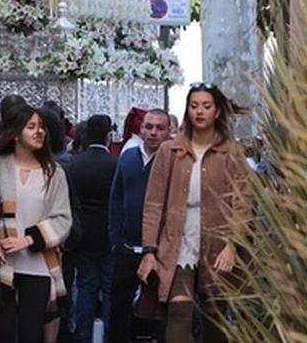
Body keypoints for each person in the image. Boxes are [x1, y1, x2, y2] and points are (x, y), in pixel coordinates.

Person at [137, 85, 248, 343]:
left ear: (217, 111)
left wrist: (232, 244)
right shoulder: (170, 151)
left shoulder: (231, 152)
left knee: (215, 316)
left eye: (206, 106)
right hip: (177, 241)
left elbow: (242, 204)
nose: (199, 112)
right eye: (194, 105)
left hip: (217, 242)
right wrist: (149, 251)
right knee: (178, 309)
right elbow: (153, 204)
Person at [0, 106, 72, 343]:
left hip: (39, 266)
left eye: (41, 127)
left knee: (30, 334)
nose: (39, 132)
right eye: (31, 127)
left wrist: (27, 240)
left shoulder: (54, 173)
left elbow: (63, 218)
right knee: (2, 333)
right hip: (2, 266)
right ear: (16, 134)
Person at [108, 108, 171, 343]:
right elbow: (116, 198)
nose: (153, 132)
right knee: (118, 311)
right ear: (141, 129)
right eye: (149, 127)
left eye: (160, 128)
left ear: (168, 131)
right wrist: (115, 240)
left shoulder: (173, 162)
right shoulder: (127, 157)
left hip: (159, 252)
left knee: (158, 314)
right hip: (126, 249)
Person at [68, 116, 117, 343]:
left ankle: (83, 336)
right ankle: (109, 336)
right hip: (108, 235)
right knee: (109, 288)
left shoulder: (75, 164)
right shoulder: (115, 164)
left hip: (83, 234)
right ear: (108, 136)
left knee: (86, 287)